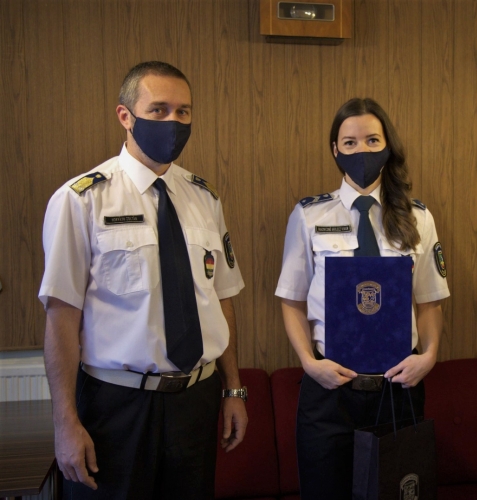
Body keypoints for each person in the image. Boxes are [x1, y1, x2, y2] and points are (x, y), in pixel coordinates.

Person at [39, 61, 248, 500]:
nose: (173, 121)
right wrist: (64, 422)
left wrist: (233, 388)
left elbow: (221, 299)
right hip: (116, 407)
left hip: (196, 400)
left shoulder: (204, 198)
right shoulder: (81, 200)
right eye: (158, 110)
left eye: (183, 112)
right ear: (125, 116)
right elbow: (61, 318)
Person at [275, 97, 450, 499]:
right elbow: (292, 300)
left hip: (398, 387)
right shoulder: (309, 216)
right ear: (335, 150)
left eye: (372, 140)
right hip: (330, 390)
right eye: (350, 143)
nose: (362, 151)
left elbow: (430, 302)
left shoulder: (417, 217)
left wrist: (429, 356)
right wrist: (309, 363)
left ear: (388, 146)